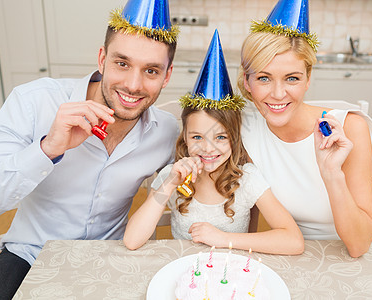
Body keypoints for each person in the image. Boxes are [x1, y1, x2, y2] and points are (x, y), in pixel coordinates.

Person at [0, 0, 179, 298]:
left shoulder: (167, 131)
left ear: (167, 76)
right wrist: (47, 148)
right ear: (102, 59)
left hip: (110, 260)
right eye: (122, 63)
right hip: (29, 256)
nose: (133, 84)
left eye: (151, 71)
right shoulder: (34, 102)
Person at [123, 30, 304, 255]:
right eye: (197, 137)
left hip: (232, 274)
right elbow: (132, 240)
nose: (208, 148)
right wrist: (170, 183)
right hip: (187, 272)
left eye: (220, 137)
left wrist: (222, 239)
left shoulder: (247, 179)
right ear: (185, 139)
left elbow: (294, 241)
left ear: (234, 139)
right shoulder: (173, 177)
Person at [237, 0, 372, 258]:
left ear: (308, 79)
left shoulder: (350, 129)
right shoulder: (246, 130)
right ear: (247, 82)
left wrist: (331, 173)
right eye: (263, 78)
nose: (278, 94)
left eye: (292, 78)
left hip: (356, 255)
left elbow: (359, 246)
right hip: (292, 251)